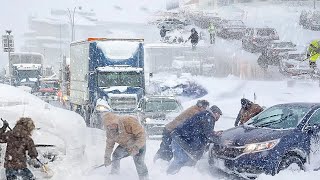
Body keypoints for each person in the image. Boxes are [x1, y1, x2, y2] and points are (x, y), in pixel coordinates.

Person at [167, 105, 222, 175]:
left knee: (184, 160)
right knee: (180, 159)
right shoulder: (209, 117)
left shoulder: (206, 115)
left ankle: (176, 175)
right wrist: (220, 141)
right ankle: (169, 175)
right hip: (180, 138)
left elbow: (204, 130)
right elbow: (208, 135)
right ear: (216, 113)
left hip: (182, 137)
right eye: (219, 115)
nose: (219, 118)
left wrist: (213, 133)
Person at [103, 112, 149, 180]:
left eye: (113, 124)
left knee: (138, 160)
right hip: (125, 145)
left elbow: (141, 135)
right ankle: (115, 175)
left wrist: (136, 147)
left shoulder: (129, 121)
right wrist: (107, 157)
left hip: (138, 143)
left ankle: (144, 178)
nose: (111, 127)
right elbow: (109, 145)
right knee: (116, 155)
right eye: (108, 125)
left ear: (117, 121)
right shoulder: (110, 132)